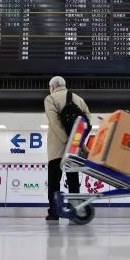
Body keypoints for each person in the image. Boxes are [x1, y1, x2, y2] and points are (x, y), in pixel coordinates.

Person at [44, 76, 91, 221]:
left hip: (56, 147)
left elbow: (54, 122)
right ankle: (74, 210)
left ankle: (54, 212)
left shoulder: (50, 98)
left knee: (54, 180)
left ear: (52, 87)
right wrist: (76, 142)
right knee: (73, 179)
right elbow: (87, 120)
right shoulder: (78, 99)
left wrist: (65, 140)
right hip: (74, 149)